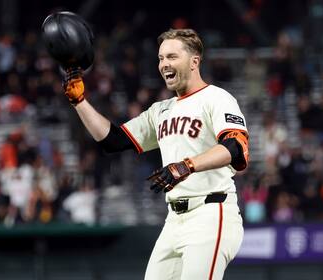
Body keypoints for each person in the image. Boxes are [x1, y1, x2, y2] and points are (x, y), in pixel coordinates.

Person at [63, 28, 249, 280]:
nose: (164, 64)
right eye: (161, 58)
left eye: (172, 57)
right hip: (174, 220)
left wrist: (187, 165)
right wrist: (80, 102)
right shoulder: (161, 110)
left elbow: (235, 147)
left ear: (194, 61)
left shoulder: (216, 98)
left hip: (211, 213)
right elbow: (113, 140)